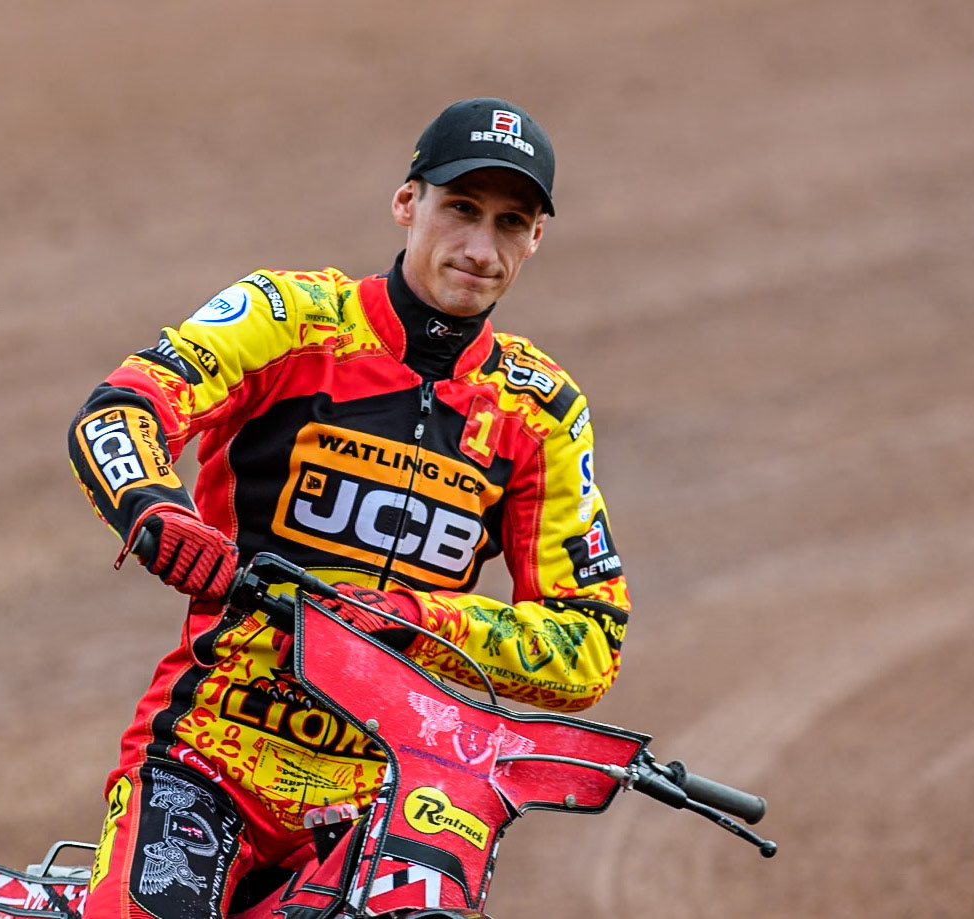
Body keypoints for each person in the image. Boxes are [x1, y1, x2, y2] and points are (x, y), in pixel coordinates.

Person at [69, 97, 631, 919]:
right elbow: (119, 409)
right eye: (461, 209)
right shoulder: (293, 319)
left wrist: (407, 621)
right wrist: (158, 512)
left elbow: (586, 649)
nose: (480, 248)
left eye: (511, 223)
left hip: (398, 795)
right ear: (408, 203)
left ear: (536, 238)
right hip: (212, 749)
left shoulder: (538, 411)